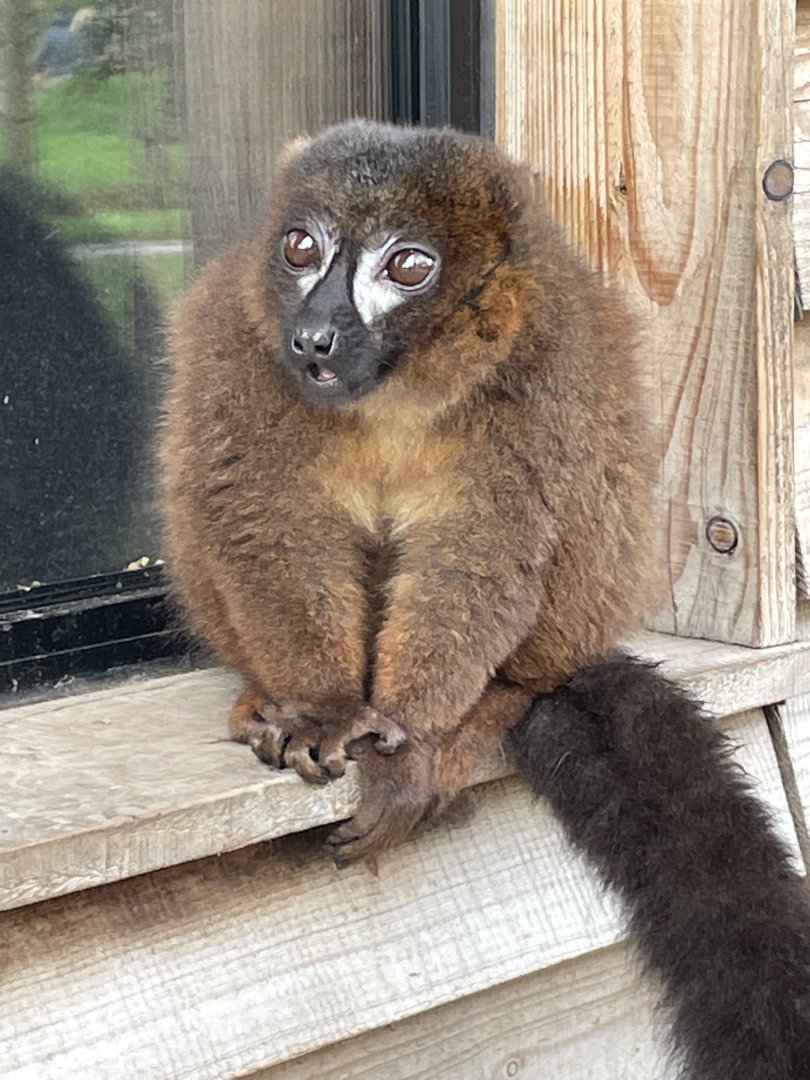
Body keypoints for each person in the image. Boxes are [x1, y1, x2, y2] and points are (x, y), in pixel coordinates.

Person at [33, 9, 83, 80]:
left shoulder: (50, 32)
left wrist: (39, 70)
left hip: (56, 73)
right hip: (76, 73)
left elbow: (42, 53)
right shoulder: (76, 30)